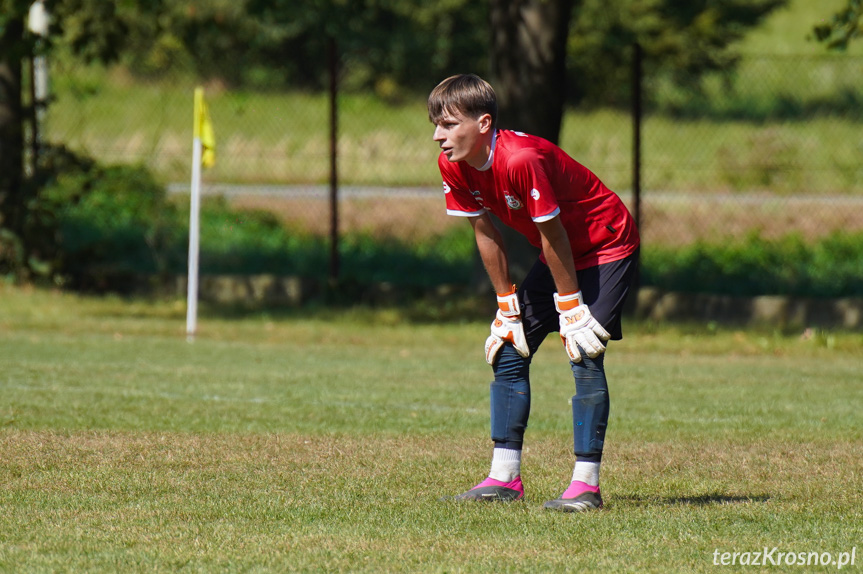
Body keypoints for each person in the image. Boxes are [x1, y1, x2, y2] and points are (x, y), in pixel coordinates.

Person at [427, 74, 640, 512]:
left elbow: (555, 236)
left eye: (448, 124)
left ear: (483, 123)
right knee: (508, 348)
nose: (438, 136)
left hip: (604, 243)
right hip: (558, 249)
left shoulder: (520, 158)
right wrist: (506, 306)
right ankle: (503, 478)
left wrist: (571, 309)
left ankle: (586, 487)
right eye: (436, 125)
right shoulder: (452, 163)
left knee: (583, 348)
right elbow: (485, 233)